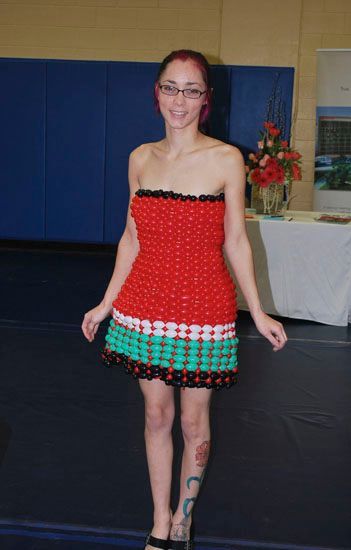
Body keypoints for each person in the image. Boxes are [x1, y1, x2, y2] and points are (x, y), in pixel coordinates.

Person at [81, 49, 287, 550]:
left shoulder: (225, 159)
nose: (179, 99)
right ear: (157, 93)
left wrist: (256, 310)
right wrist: (106, 302)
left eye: (191, 90)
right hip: (144, 305)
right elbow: (131, 237)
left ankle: (183, 518)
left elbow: (236, 240)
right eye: (170, 87)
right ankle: (158, 519)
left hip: (203, 308)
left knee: (195, 420)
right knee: (156, 416)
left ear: (206, 100)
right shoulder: (139, 158)